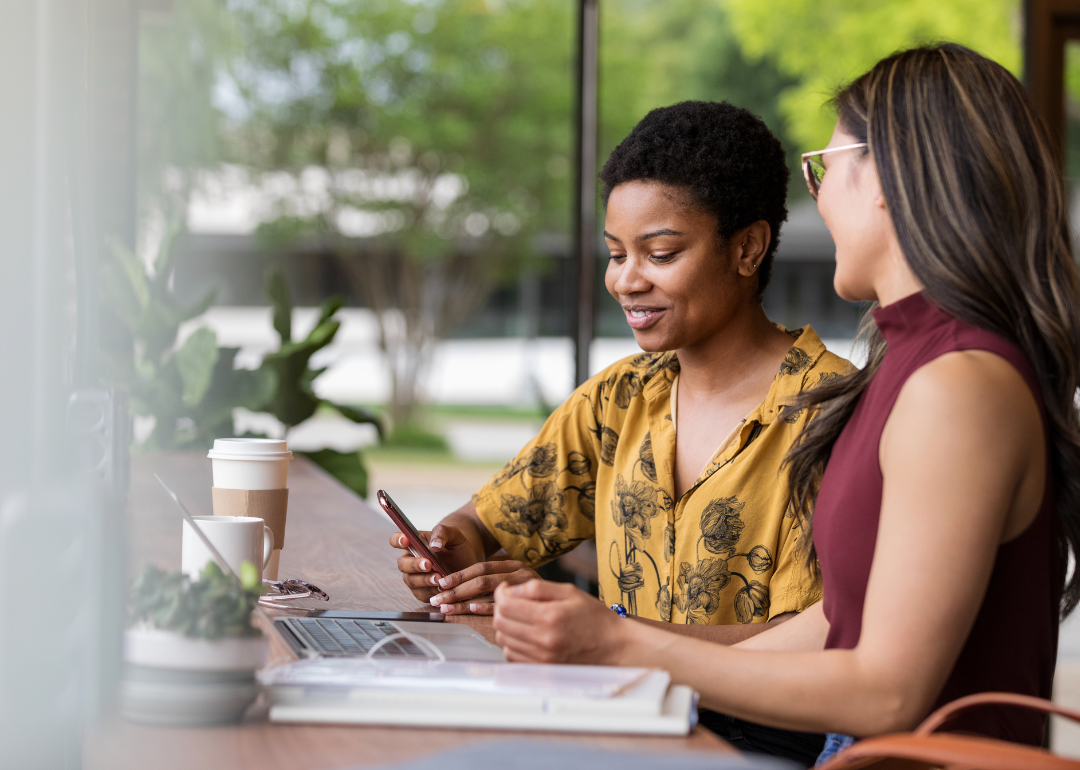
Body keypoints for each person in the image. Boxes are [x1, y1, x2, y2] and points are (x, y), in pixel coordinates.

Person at [489, 42, 1080, 764]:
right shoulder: (908, 367)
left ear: (888, 176)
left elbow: (887, 692)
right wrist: (611, 643)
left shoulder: (958, 383)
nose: (819, 195)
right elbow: (838, 622)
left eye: (825, 168)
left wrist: (617, 644)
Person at [390, 101, 851, 763]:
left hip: (754, 739)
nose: (627, 280)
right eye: (615, 255)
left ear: (748, 247)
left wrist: (610, 634)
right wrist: (448, 551)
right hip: (618, 718)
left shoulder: (831, 412)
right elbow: (486, 524)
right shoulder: (618, 399)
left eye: (660, 253)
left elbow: (809, 644)